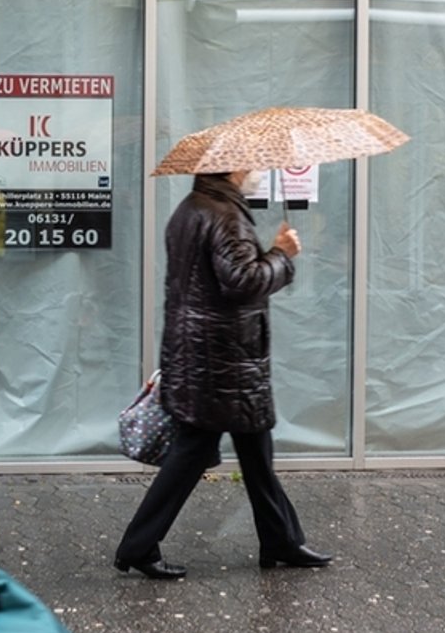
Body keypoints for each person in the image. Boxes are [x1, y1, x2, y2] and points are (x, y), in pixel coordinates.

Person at [113, 171, 332, 580]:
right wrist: (282, 254)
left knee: (256, 454)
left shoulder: (191, 209)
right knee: (191, 454)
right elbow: (242, 281)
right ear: (231, 171)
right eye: (249, 168)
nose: (254, 175)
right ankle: (137, 546)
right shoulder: (224, 215)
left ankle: (281, 539)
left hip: (211, 358)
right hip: (222, 362)